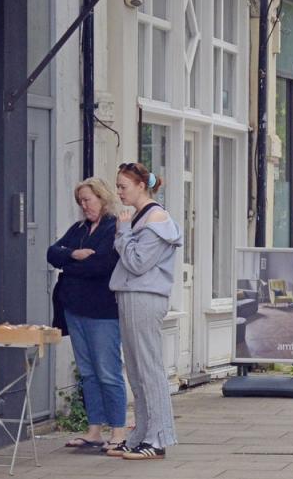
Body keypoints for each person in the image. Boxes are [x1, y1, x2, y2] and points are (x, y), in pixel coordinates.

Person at [108, 162, 183, 461]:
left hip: (144, 297)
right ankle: (141, 435)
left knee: (149, 369)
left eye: (123, 186)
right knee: (137, 371)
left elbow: (138, 263)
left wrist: (123, 233)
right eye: (117, 186)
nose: (119, 192)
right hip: (131, 295)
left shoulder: (157, 218)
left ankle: (158, 439)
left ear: (141, 185)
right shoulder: (142, 217)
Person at [47, 178, 126, 450]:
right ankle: (94, 430)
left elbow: (102, 266)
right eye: (80, 201)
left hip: (102, 312)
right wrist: (75, 255)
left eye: (88, 200)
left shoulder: (112, 227)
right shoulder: (79, 229)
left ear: (102, 198)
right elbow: (52, 253)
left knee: (108, 371)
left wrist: (69, 265)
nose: (84, 206)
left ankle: (118, 431)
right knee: (88, 373)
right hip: (74, 309)